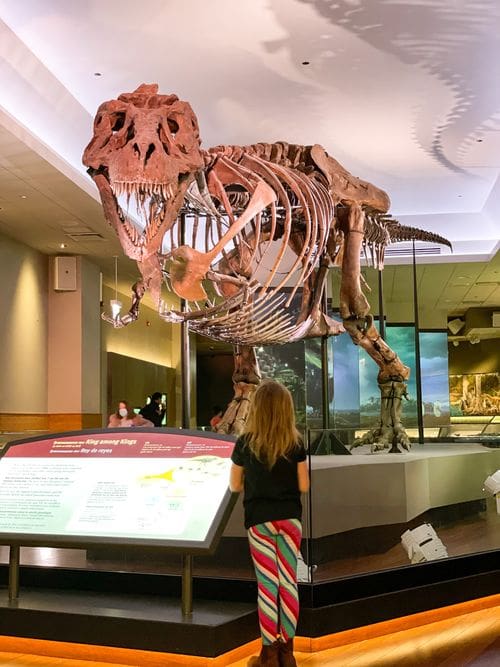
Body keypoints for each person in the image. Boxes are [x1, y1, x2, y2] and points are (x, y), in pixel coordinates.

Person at [229, 380, 310, 667]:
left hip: (259, 521)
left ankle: (269, 653)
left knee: (267, 585)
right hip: (290, 519)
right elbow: (304, 485)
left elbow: (234, 485)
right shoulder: (297, 443)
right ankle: (288, 652)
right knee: (289, 583)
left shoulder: (244, 444)